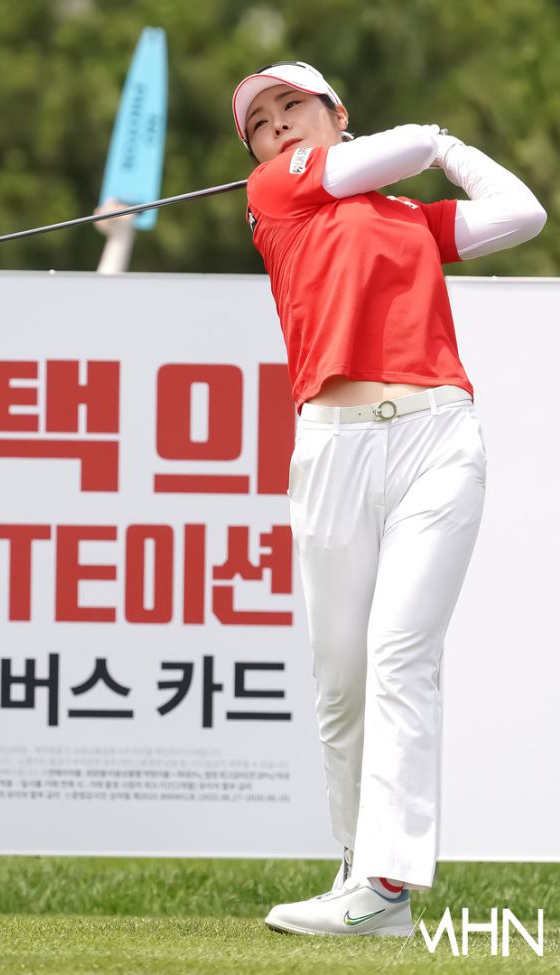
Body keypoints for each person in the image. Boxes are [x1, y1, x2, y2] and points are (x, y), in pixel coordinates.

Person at [231, 60, 546, 937]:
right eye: (260, 122)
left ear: (338, 114)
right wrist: (424, 140)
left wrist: (446, 149)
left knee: (401, 655)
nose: (276, 125)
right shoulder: (274, 193)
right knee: (342, 678)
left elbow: (522, 212)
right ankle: (356, 863)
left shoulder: (409, 216)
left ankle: (385, 884)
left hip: (437, 439)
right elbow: (398, 148)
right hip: (333, 447)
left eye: (292, 105)